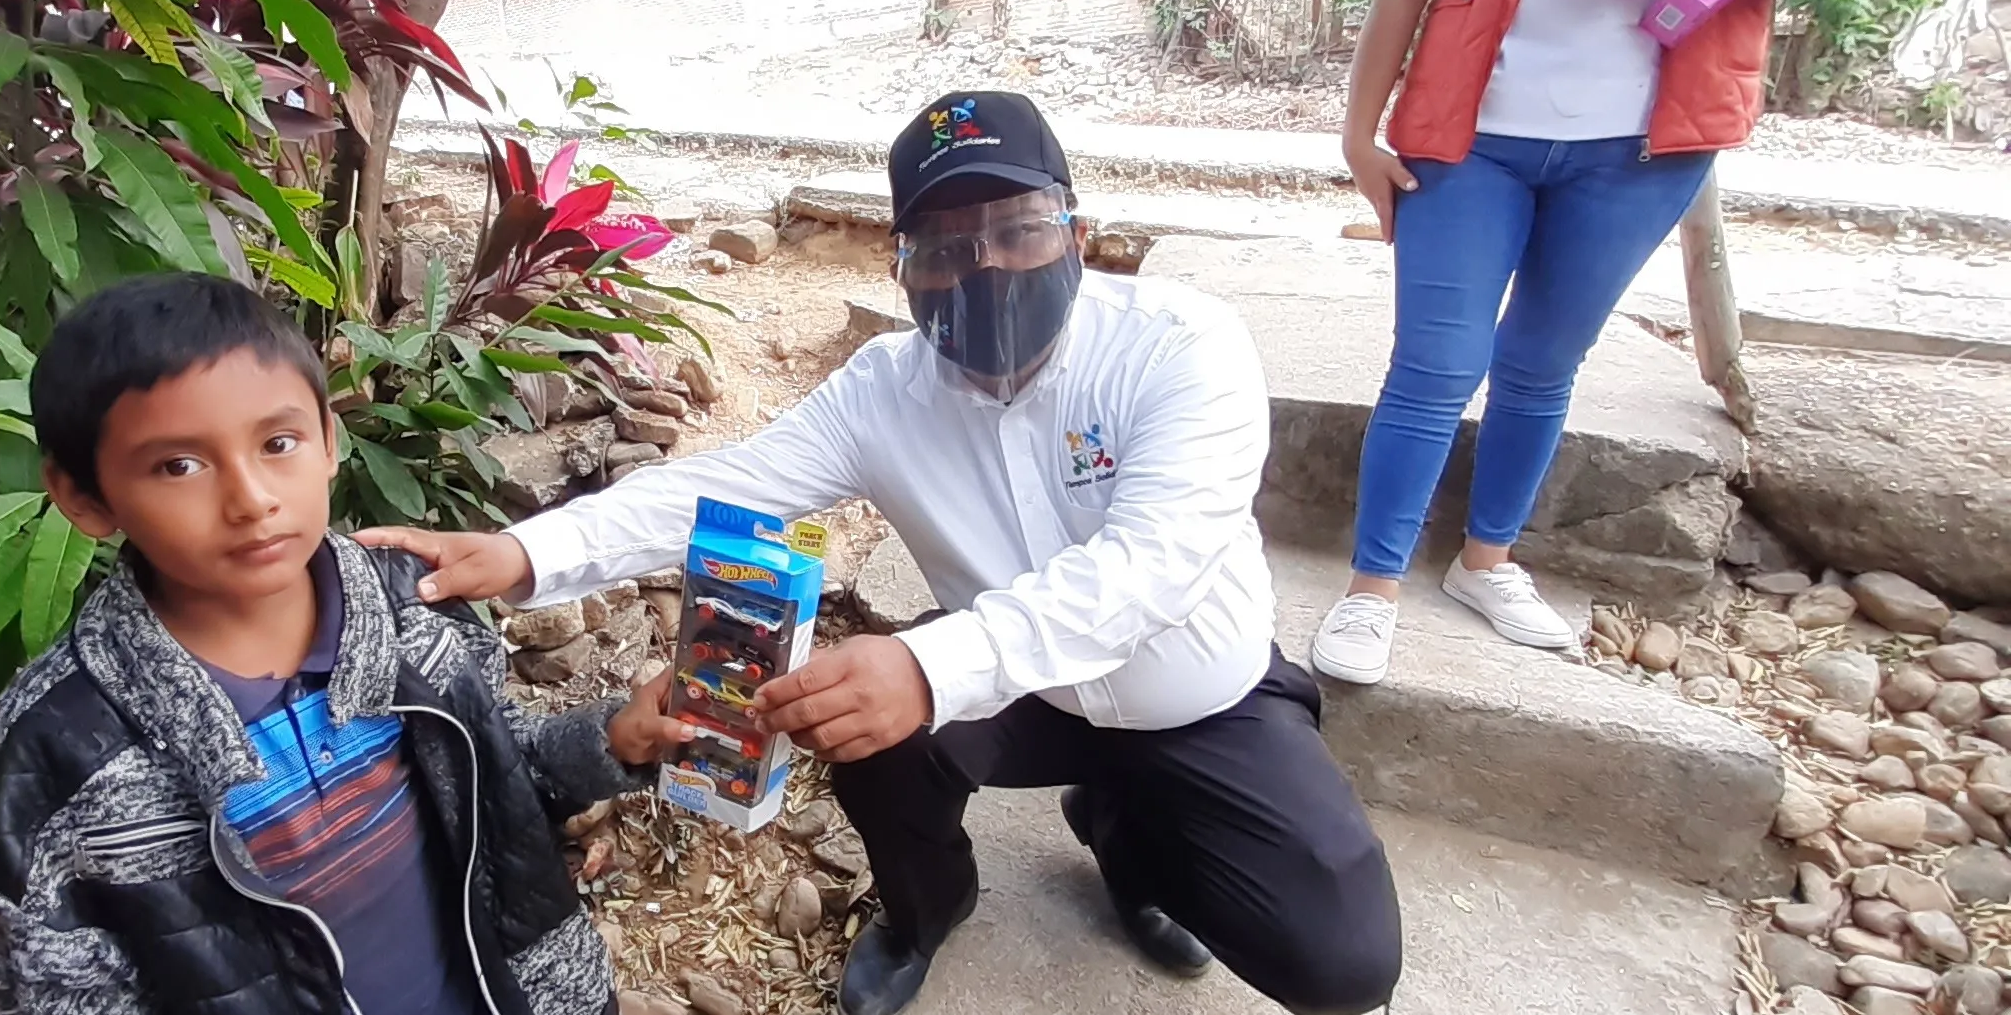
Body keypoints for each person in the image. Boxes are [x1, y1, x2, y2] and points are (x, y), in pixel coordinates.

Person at [363, 91, 1403, 1015]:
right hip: (1014, 690)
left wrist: (927, 666)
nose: (984, 265)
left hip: (1198, 697)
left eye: (1016, 228)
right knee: (862, 726)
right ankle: (921, 913)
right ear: (901, 269)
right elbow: (715, 488)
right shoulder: (883, 391)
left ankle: (1128, 836)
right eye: (944, 247)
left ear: (1077, 233)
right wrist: (521, 553)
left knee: (1341, 964)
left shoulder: (1180, 347)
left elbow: (1152, 566)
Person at [1307, 0, 1883, 688]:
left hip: (1641, 150)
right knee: (1434, 364)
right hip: (1469, 137)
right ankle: (1372, 586)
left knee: (1540, 364)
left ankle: (1485, 560)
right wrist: (1357, 130)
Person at [0, 273, 690, 1015]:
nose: (252, 499)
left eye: (277, 443)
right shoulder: (66, 742)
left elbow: (503, 774)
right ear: (85, 497)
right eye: (178, 465)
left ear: (328, 439)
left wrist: (613, 740)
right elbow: (63, 988)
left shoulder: (410, 607)